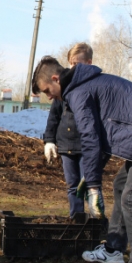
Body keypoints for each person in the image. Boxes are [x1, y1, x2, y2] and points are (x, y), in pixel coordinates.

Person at [32, 54, 132, 263]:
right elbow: (101, 137)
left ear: (55, 79)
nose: (49, 97)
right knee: (122, 185)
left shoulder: (78, 93)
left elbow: (90, 139)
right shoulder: (83, 85)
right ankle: (114, 249)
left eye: (47, 90)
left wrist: (93, 186)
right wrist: (91, 179)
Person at [43, 43, 92, 219]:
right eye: (71, 64)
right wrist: (49, 140)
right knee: (72, 186)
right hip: (66, 146)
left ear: (89, 62)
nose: (73, 68)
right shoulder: (63, 87)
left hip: (87, 147)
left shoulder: (93, 87)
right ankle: (76, 219)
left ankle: (96, 222)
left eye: (77, 64)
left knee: (90, 186)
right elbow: (53, 117)